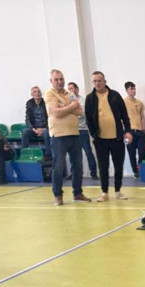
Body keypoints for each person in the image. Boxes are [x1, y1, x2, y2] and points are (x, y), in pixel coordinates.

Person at [84, 70, 132, 201]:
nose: (97, 83)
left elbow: (125, 116)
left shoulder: (115, 95)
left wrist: (128, 131)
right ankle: (104, 192)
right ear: (92, 82)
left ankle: (118, 191)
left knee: (118, 166)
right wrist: (94, 134)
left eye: (100, 80)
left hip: (117, 138)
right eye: (95, 81)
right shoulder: (90, 98)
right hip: (100, 139)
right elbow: (88, 119)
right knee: (103, 166)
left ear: (105, 81)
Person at [46, 69, 90, 205]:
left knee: (77, 166)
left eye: (61, 79)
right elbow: (56, 113)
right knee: (58, 167)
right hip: (58, 135)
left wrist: (64, 106)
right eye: (56, 79)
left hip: (74, 133)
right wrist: (71, 107)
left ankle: (77, 193)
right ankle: (58, 195)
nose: (60, 82)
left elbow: (80, 111)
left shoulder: (69, 94)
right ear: (51, 81)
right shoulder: (49, 94)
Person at [67, 81, 98, 180]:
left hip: (82, 130)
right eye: (68, 89)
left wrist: (70, 111)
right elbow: (67, 113)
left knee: (88, 151)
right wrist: (72, 110)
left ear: (76, 89)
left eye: (71, 89)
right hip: (72, 130)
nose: (70, 91)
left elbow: (82, 114)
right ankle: (74, 173)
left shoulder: (82, 100)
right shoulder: (68, 100)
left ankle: (93, 173)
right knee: (74, 154)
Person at [124, 81, 145, 178]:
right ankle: (135, 171)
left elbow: (142, 116)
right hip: (129, 132)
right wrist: (124, 131)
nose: (133, 90)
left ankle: (141, 168)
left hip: (139, 131)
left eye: (134, 88)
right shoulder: (123, 102)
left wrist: (143, 128)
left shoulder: (140, 103)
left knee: (142, 152)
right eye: (131, 89)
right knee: (131, 153)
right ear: (127, 90)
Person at [21, 85, 51, 156]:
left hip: (45, 128)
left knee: (47, 133)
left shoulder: (46, 102)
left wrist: (44, 129)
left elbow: (50, 117)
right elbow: (27, 119)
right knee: (25, 131)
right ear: (32, 94)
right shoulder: (29, 103)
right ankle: (24, 153)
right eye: (35, 92)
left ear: (41, 94)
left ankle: (49, 155)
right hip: (34, 129)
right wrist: (33, 129)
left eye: (38, 92)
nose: (37, 93)